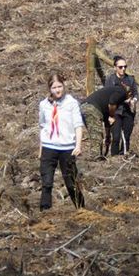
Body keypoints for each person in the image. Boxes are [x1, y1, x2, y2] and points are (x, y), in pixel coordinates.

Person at [38, 72, 85, 210]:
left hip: (67, 148)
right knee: (46, 182)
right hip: (48, 147)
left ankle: (81, 209)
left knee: (71, 182)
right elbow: (42, 126)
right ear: (49, 89)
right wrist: (41, 149)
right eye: (54, 88)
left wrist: (78, 145)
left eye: (60, 86)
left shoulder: (71, 103)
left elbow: (78, 125)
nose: (57, 90)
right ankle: (45, 212)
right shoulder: (43, 105)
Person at [81, 82, 132, 158]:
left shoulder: (107, 99)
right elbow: (111, 103)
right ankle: (95, 158)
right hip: (91, 108)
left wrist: (108, 137)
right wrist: (112, 116)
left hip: (84, 107)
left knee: (96, 133)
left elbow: (107, 123)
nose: (129, 99)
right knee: (96, 135)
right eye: (130, 96)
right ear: (129, 93)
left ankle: (98, 156)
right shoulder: (122, 91)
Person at [104, 55, 139, 156]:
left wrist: (134, 100)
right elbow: (108, 96)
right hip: (115, 111)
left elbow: (136, 93)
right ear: (115, 67)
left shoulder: (130, 79)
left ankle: (124, 156)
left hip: (129, 111)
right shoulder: (111, 80)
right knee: (116, 137)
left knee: (126, 136)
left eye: (125, 66)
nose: (123, 69)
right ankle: (114, 157)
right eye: (120, 67)